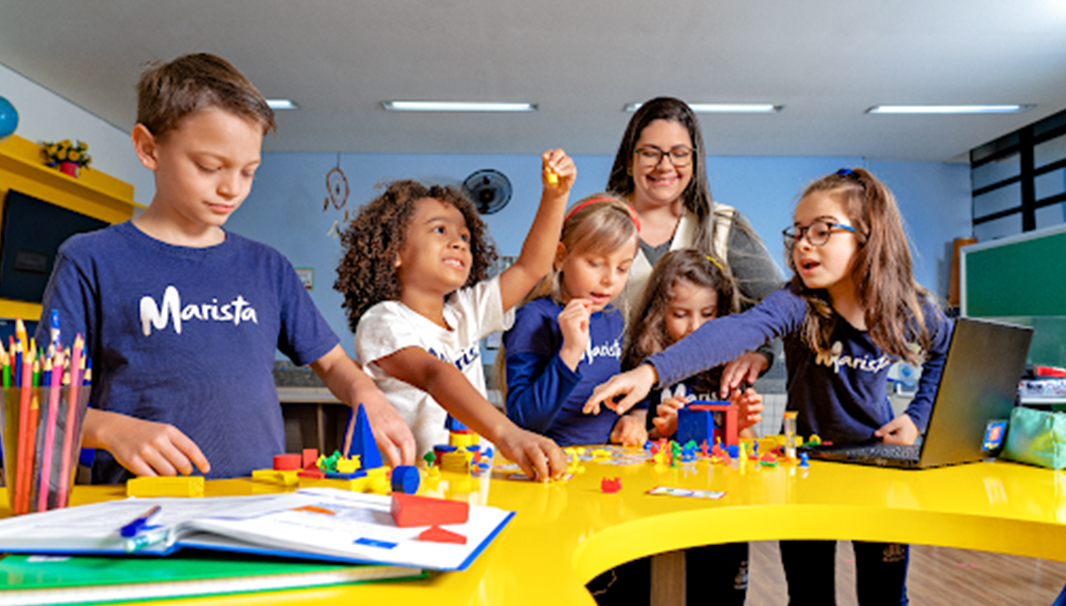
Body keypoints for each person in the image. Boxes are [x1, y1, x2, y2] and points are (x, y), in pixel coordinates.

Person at [35, 53, 416, 484]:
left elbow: (331, 364)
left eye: (249, 172)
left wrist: (367, 395)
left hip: (258, 500)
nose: (232, 189)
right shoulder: (91, 259)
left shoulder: (268, 267)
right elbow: (38, 405)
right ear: (148, 148)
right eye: (209, 167)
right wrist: (109, 429)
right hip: (144, 503)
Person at [585, 168, 954, 605]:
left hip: (880, 469)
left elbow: (947, 350)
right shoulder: (797, 302)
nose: (803, 244)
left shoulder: (906, 308)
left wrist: (916, 418)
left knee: (885, 596)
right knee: (809, 596)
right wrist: (651, 372)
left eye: (822, 231)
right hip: (805, 469)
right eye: (798, 231)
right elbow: (735, 331)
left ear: (868, 236)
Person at [336, 154, 575, 481]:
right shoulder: (383, 321)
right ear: (394, 252)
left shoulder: (466, 312)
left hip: (468, 480)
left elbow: (530, 268)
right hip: (412, 484)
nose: (459, 243)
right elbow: (434, 374)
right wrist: (507, 434)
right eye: (440, 230)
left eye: (465, 237)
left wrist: (556, 196)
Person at [607, 248, 764, 606]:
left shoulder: (729, 368)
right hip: (659, 508)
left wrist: (741, 424)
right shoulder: (645, 367)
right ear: (658, 313)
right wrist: (663, 431)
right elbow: (632, 437)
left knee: (720, 588)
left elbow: (747, 445)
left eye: (708, 315)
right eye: (680, 314)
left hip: (722, 511)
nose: (695, 328)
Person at [607, 96, 782, 394]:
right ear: (629, 159)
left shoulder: (724, 225)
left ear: (694, 161)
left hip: (700, 401)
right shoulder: (599, 225)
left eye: (679, 154)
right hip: (612, 402)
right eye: (650, 153)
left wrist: (762, 354)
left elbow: (778, 307)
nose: (665, 166)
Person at [501, 194, 644, 447]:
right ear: (560, 257)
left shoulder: (613, 319)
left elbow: (611, 404)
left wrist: (627, 421)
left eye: (622, 268)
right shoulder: (533, 318)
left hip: (604, 460)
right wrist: (570, 352)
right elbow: (523, 421)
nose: (610, 279)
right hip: (547, 460)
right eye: (595, 263)